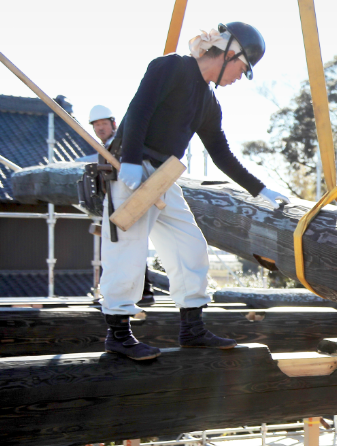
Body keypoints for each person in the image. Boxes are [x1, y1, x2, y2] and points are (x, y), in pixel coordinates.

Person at [100, 22, 290, 361]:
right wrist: (128, 159)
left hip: (164, 176)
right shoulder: (170, 67)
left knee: (189, 245)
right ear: (230, 53)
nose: (237, 78)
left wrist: (261, 189)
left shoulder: (208, 102)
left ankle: (192, 327)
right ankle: (118, 333)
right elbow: (140, 109)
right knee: (127, 250)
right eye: (242, 69)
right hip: (131, 168)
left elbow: (220, 153)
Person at [73, 104, 158, 307]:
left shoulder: (120, 144)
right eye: (96, 125)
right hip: (115, 202)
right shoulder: (105, 147)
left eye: (104, 123)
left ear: (113, 124)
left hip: (127, 200)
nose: (100, 128)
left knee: (126, 247)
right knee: (127, 247)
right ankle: (142, 292)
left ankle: (137, 294)